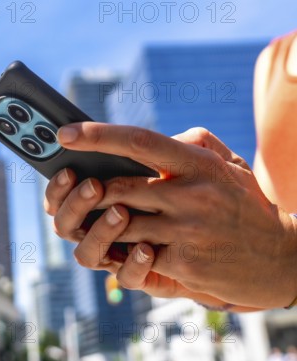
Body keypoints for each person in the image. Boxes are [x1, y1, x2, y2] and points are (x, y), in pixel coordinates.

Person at [43, 30, 297, 311]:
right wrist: (194, 281)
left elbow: (278, 256)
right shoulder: (273, 62)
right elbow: (267, 277)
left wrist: (283, 253)